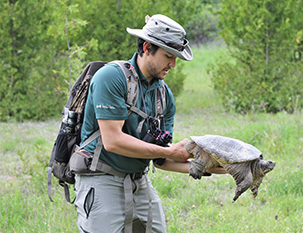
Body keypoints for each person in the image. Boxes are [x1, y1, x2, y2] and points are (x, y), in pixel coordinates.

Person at [74, 14, 223, 233]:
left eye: (175, 57)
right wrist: (172, 152)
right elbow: (113, 141)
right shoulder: (111, 78)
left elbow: (161, 160)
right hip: (102, 177)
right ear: (146, 47)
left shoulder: (164, 96)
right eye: (168, 56)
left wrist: (222, 166)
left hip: (139, 181)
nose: (173, 64)